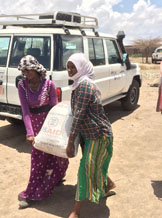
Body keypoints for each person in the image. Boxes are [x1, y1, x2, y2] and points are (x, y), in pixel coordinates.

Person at [65, 53, 115, 218]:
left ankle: (75, 211)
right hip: (88, 133)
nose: (70, 70)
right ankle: (108, 184)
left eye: (74, 67)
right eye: (69, 67)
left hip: (98, 135)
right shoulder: (78, 84)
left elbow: (78, 115)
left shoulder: (85, 85)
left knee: (84, 169)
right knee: (94, 164)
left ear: (82, 68)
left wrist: (70, 141)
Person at [17, 55, 69, 209]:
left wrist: (59, 131)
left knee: (56, 155)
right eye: (24, 71)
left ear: (36, 69)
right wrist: (29, 132)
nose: (27, 74)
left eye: (29, 70)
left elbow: (56, 109)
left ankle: (56, 177)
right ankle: (32, 193)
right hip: (35, 127)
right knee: (38, 160)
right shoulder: (22, 85)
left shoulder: (49, 85)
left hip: (50, 125)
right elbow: (25, 111)